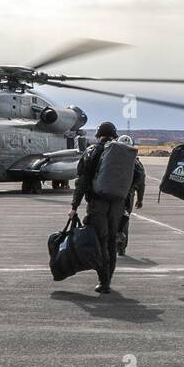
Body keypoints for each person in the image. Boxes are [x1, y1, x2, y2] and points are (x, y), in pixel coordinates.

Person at [70, 122, 131, 294]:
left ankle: (104, 281)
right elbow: (136, 177)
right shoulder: (122, 152)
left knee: (100, 241)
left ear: (98, 134)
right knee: (111, 241)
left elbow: (82, 180)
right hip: (117, 206)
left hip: (98, 205)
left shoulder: (92, 151)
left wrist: (75, 206)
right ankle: (108, 278)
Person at [116, 155, 146, 257]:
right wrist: (140, 199)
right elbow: (141, 183)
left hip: (112, 194)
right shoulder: (136, 162)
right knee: (125, 220)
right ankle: (121, 247)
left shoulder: (112, 158)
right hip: (128, 196)